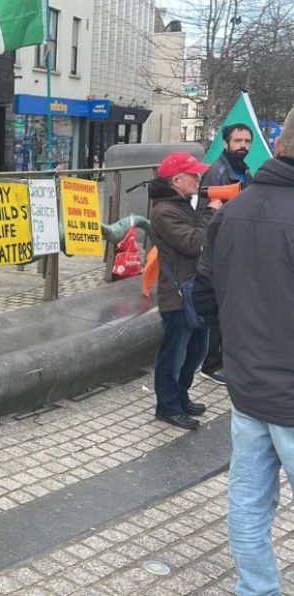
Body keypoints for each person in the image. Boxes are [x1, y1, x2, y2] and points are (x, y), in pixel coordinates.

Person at [198, 107, 294, 596]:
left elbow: (204, 293)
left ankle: (256, 590)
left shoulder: (233, 209)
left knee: (249, 502)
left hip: (247, 388)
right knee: (249, 501)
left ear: (277, 145)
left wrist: (233, 347)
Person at [150, 151, 222, 430]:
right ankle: (167, 406)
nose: (198, 178)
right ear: (176, 180)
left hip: (194, 292)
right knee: (174, 354)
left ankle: (181, 396)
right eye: (192, 174)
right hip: (178, 295)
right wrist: (210, 214)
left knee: (196, 351)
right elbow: (193, 243)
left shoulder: (180, 204)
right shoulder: (164, 211)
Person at [197, 123, 254, 386]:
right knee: (217, 311)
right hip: (220, 254)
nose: (243, 145)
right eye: (238, 140)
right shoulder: (218, 173)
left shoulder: (243, 170)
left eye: (247, 141)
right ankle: (211, 364)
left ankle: (223, 360)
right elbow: (209, 216)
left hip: (237, 250)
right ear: (225, 143)